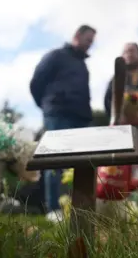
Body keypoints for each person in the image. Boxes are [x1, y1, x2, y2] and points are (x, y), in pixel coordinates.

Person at [30, 25, 96, 221]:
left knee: (84, 163)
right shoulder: (55, 56)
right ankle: (53, 209)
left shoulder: (83, 65)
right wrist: (49, 106)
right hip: (57, 114)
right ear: (77, 35)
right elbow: (36, 83)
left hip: (81, 117)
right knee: (54, 161)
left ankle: (79, 207)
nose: (90, 44)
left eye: (92, 41)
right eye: (88, 39)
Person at [103, 42, 138, 186]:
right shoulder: (115, 79)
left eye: (132, 50)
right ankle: (119, 199)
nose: (129, 53)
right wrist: (117, 116)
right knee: (120, 162)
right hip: (121, 127)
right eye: (126, 51)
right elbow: (108, 100)